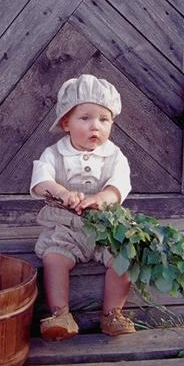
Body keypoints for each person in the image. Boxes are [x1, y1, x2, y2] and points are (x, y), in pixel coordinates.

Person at [30, 74, 136, 340]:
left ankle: (112, 314)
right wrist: (61, 192)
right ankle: (60, 314)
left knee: (124, 258)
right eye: (85, 118)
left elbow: (119, 184)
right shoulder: (54, 154)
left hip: (105, 226)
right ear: (66, 122)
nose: (95, 127)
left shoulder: (114, 155)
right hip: (67, 225)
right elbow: (40, 181)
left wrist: (103, 198)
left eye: (104, 119)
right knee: (54, 258)